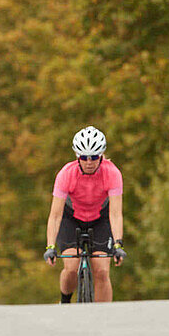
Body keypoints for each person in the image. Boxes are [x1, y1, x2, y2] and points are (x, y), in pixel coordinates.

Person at [44, 126, 127, 302]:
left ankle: (103, 317)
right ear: (77, 157)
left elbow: (115, 214)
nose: (89, 162)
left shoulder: (112, 173)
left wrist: (118, 244)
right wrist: (50, 246)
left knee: (102, 270)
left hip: (100, 219)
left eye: (94, 157)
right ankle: (64, 301)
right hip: (71, 219)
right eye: (84, 157)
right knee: (71, 266)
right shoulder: (66, 174)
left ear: (101, 156)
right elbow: (55, 215)